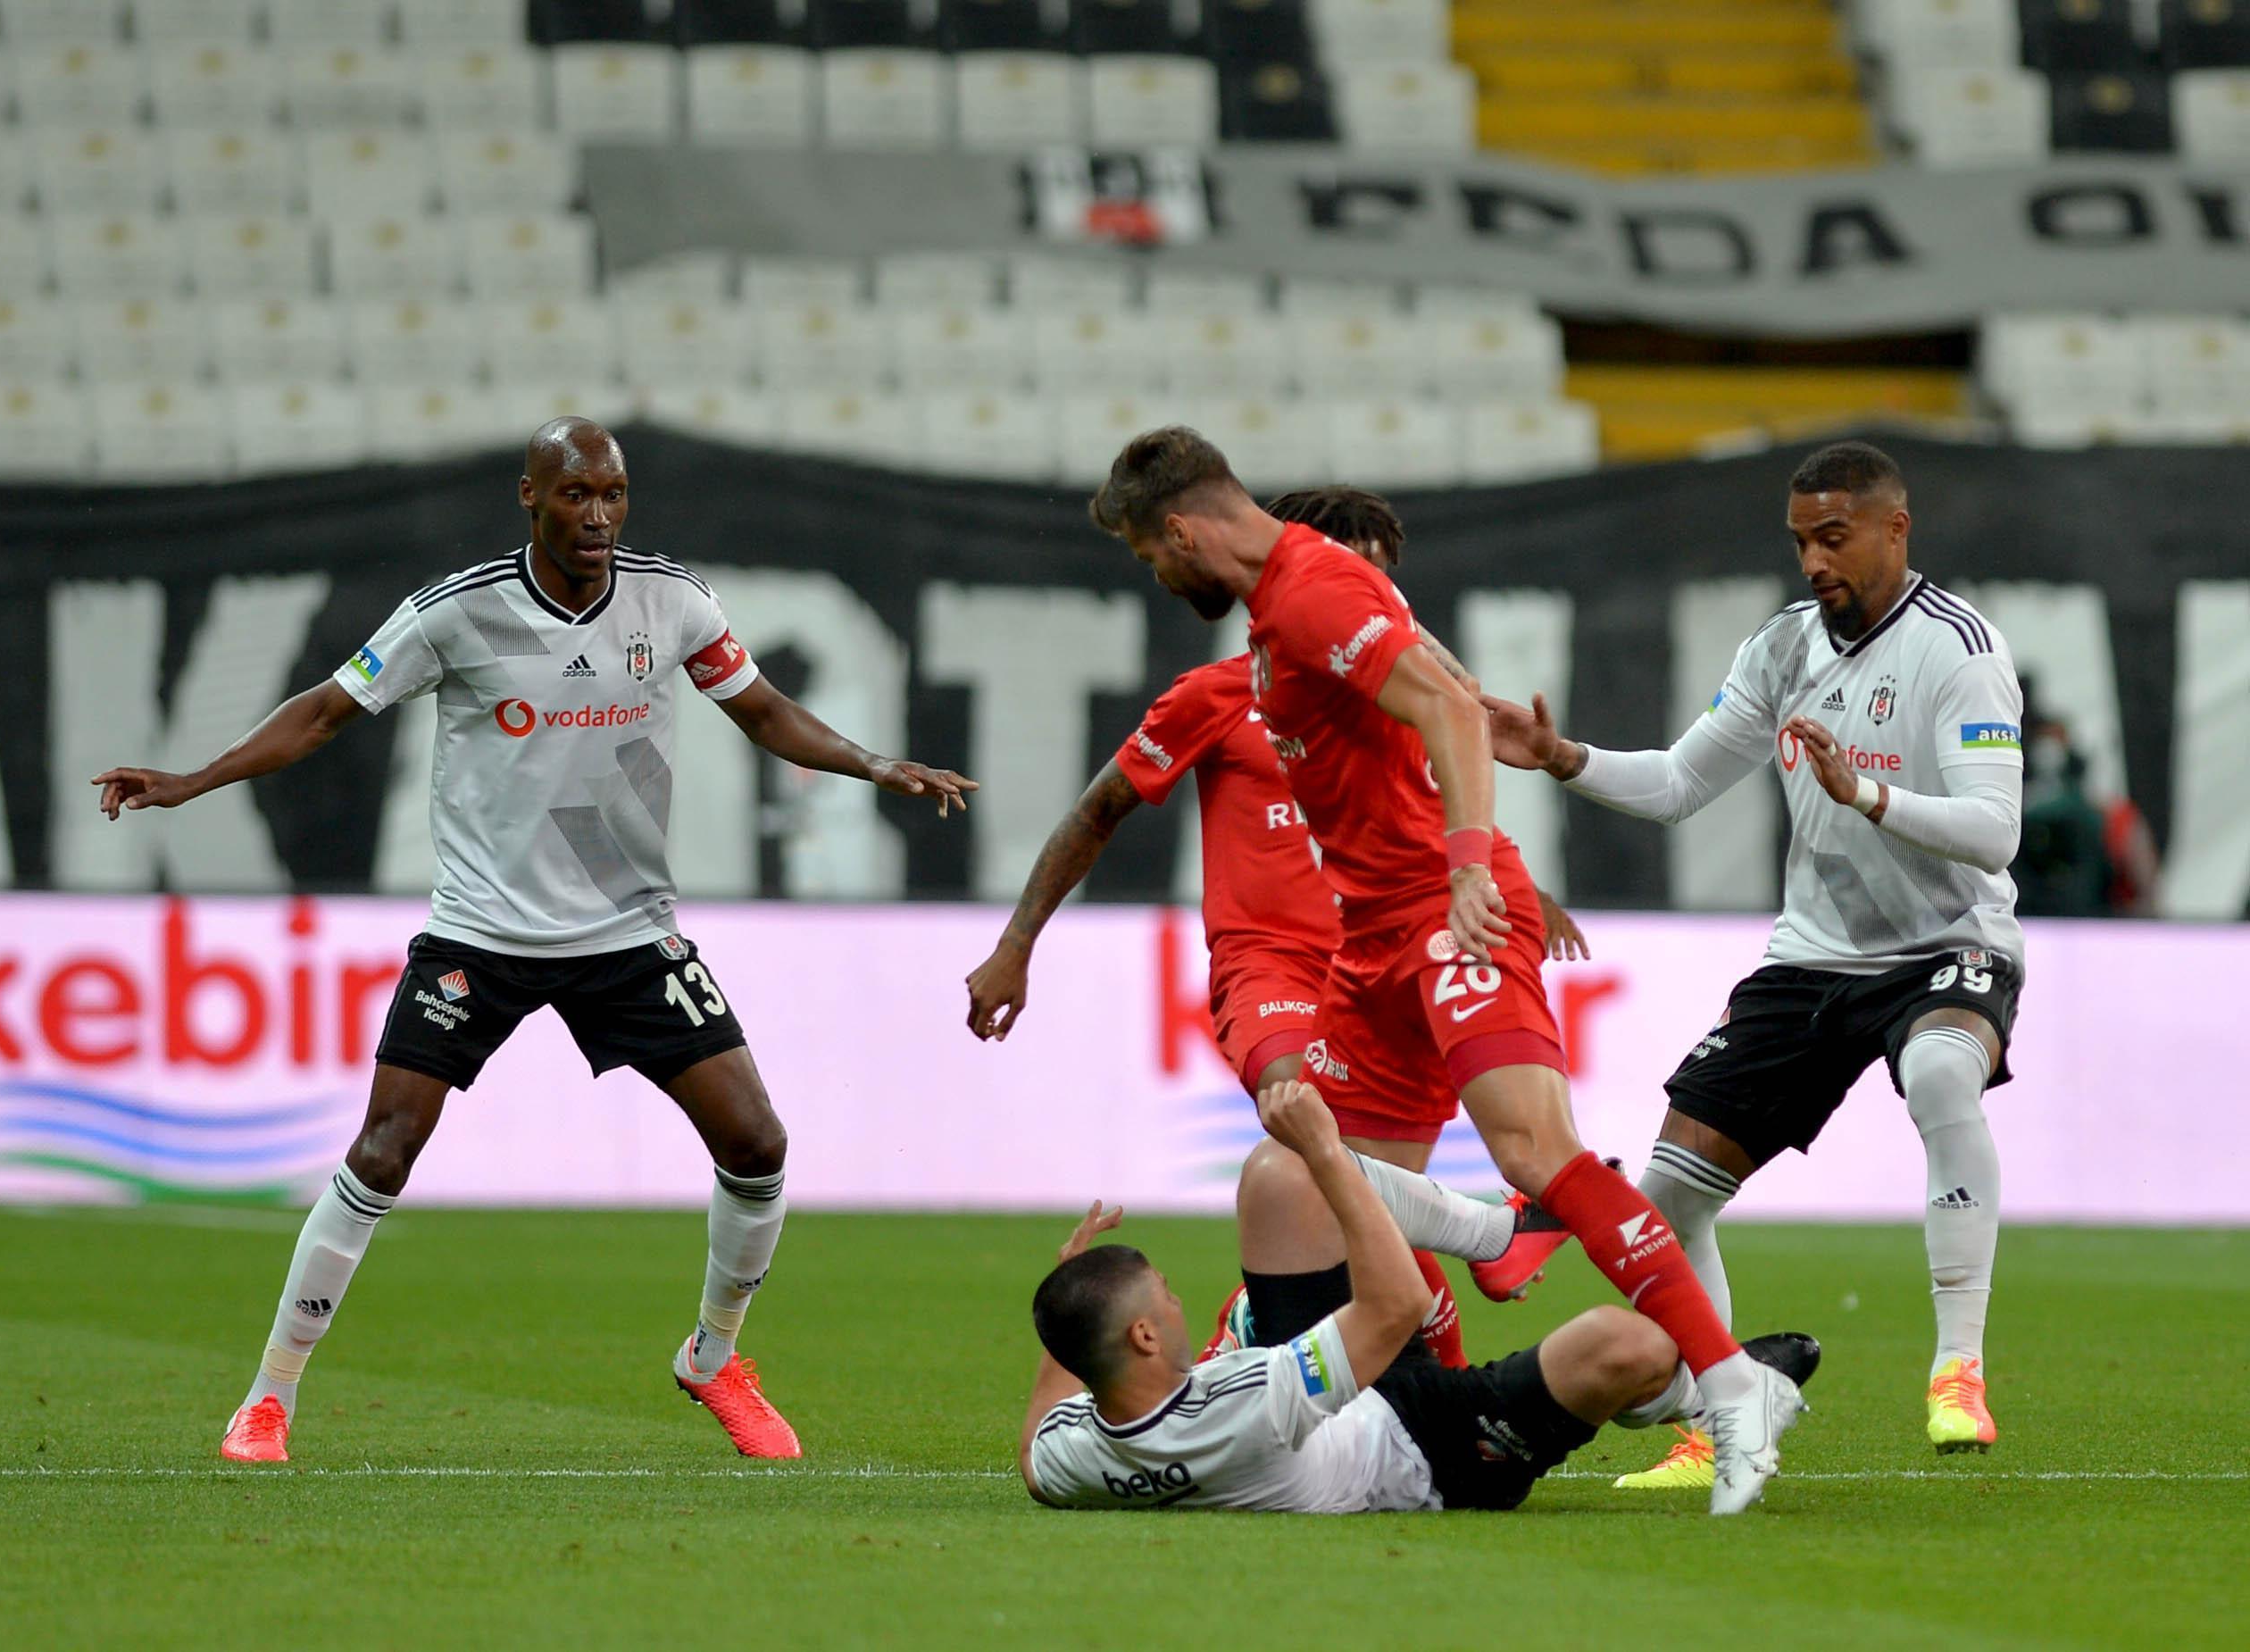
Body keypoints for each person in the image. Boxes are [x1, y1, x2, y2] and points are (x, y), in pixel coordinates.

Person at [91, 419, 975, 1464]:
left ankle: (713, 1354)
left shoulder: (673, 601)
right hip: (482, 930)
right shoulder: (453, 613)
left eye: (613, 493)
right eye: (575, 495)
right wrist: (193, 779)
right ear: (529, 496)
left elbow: (767, 713)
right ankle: (270, 1396)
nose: (597, 514)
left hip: (626, 931)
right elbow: (327, 711)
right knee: (382, 1149)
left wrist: (878, 765)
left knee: (757, 1143)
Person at [1088, 426, 1800, 1515]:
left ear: (1180, 528)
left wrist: (1473, 867)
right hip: (1369, 937)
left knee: (1533, 1146)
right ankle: (1489, 1248)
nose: (1157, 574)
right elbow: (1445, 698)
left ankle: (1726, 1380)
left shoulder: (1309, 588)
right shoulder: (1283, 612)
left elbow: (1445, 710)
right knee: (1319, 1176)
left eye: (1149, 555)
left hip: (1438, 915)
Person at [1480, 439, 2024, 1481]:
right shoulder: (1781, 649)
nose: (1813, 561)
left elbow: (1993, 832)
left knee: (1943, 1070)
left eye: (1833, 537)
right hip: (1812, 957)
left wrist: (1867, 795)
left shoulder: (1958, 648)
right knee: (1667, 1194)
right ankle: (1720, 1410)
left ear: (1892, 529)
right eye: (1799, 541)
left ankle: (1957, 1365)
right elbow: (1680, 781)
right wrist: (1560, 758)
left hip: (1947, 941)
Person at [964, 486, 1586, 1368]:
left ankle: (1277, 1341)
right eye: (1353, 570)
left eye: (1383, 577)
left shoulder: (1400, 703)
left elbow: (1436, 811)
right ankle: (1486, 1244)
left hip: (1384, 964)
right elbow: (1099, 808)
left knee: (1344, 1197)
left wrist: (1511, 879)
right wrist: (1015, 943)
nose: (1373, 596)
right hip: (1274, 971)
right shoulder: (1216, 697)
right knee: (1310, 1145)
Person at [1019, 1079, 1820, 1515]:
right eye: (1160, 1297)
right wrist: (1331, 1154)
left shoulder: (1069, 1458)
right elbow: (1395, 1304)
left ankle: (1497, 1239)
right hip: (1425, 1452)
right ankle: (1725, 1385)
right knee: (1626, 1344)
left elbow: (1036, 1441)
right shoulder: (1243, 1405)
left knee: (1273, 1175)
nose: (1171, 1297)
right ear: (1145, 1339)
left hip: (1322, 1389)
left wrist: (1071, 1283)